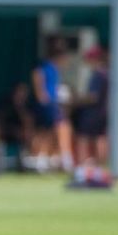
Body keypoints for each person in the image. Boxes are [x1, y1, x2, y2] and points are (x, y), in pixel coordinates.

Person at [29, 41, 73, 172]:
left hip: (52, 103)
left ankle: (43, 159)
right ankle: (64, 159)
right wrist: (41, 95)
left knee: (47, 131)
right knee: (61, 127)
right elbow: (37, 77)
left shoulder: (55, 70)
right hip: (47, 104)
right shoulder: (45, 67)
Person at [72, 46, 109, 170]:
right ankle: (100, 167)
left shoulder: (98, 74)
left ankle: (83, 168)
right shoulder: (104, 73)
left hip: (94, 113)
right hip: (101, 112)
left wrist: (76, 100)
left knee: (85, 139)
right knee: (100, 138)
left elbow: (93, 97)